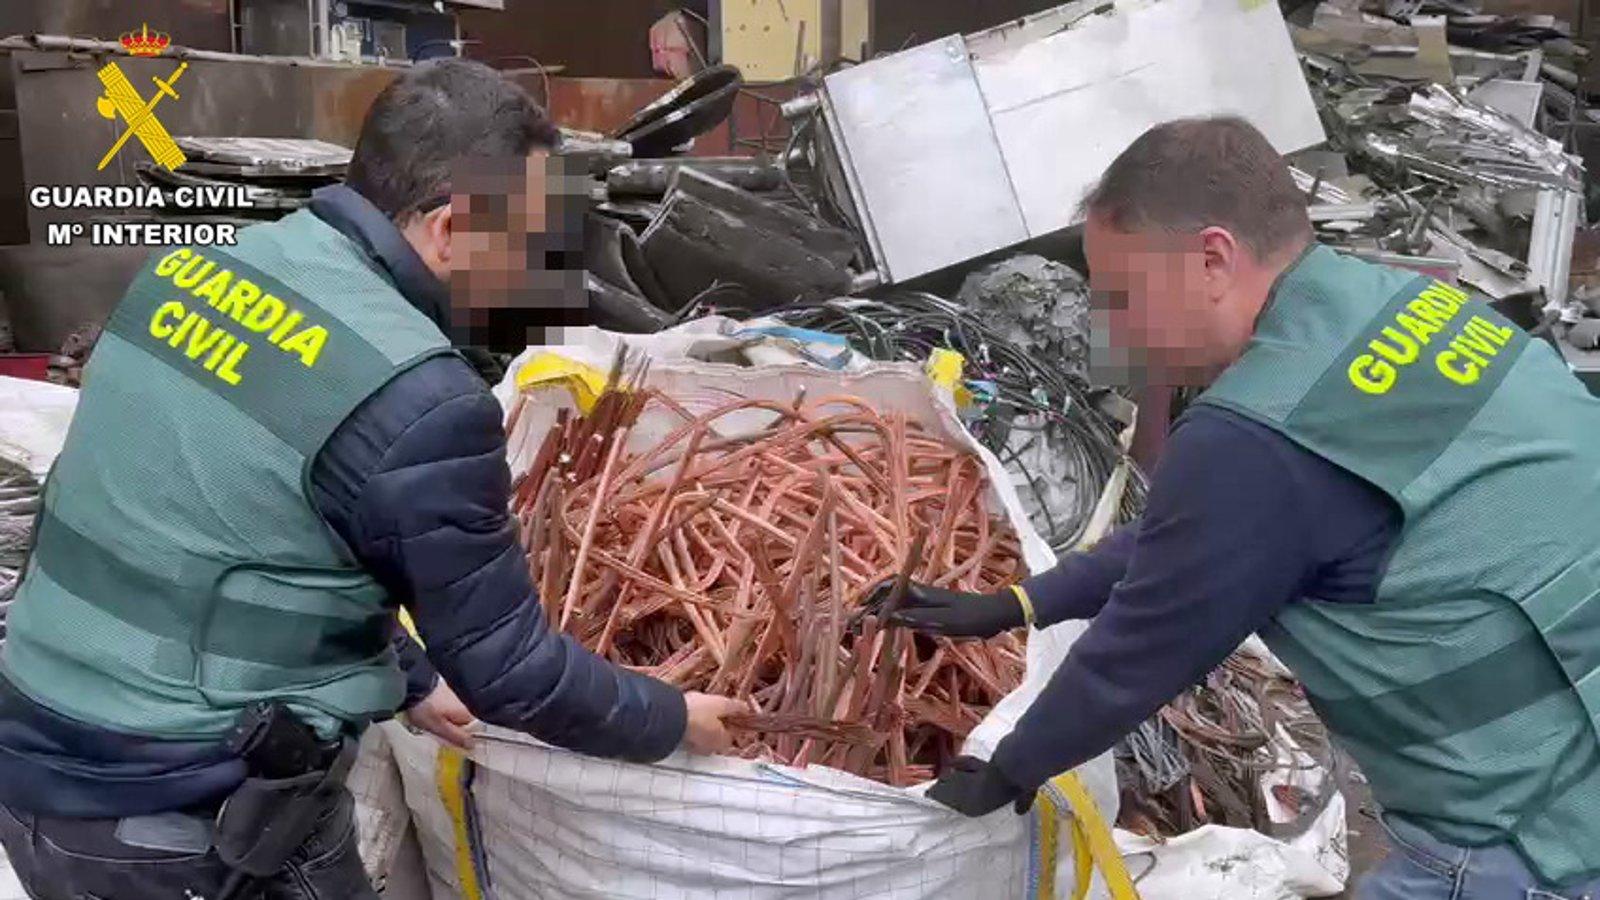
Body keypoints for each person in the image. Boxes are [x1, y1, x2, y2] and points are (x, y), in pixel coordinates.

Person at [0, 58, 745, 899]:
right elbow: (512, 671)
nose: (536, 265)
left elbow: (238, 524)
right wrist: (672, 717)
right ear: (453, 228)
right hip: (185, 823)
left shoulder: (196, 272)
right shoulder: (420, 399)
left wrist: (413, 677)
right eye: (528, 239)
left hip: (36, 763)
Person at [882, 116, 1600, 899]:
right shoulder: (1405, 306)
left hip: (1528, 837)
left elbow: (1142, 649)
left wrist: (1010, 768)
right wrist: (1017, 604)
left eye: (1123, 296)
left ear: (1213, 259)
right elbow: (1219, 534)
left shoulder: (1256, 432)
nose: (1116, 329)